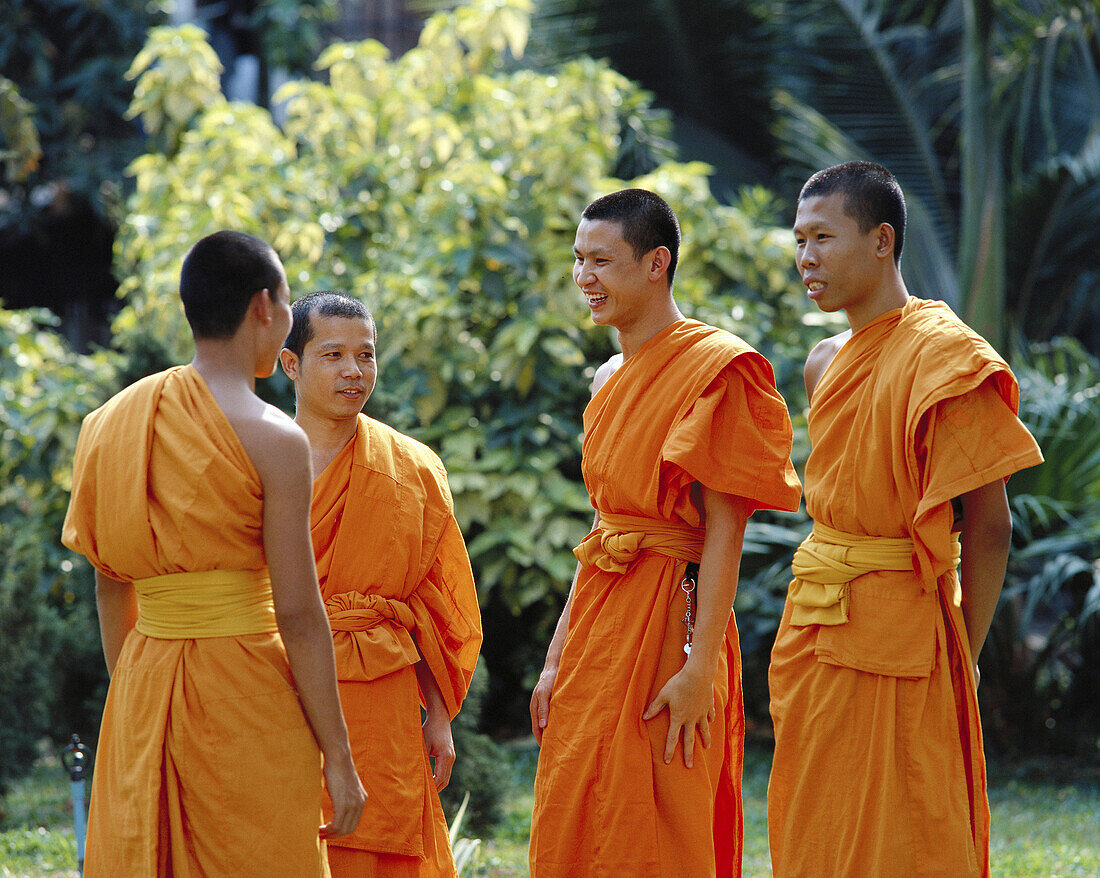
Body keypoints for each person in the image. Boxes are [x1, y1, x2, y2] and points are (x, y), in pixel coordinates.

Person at [767, 161, 1044, 877]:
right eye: (799, 240)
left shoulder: (947, 358)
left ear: (882, 240)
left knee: (908, 828)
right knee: (815, 821)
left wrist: (966, 653)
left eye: (824, 238)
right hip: (817, 619)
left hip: (906, 629)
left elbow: (989, 526)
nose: (806, 258)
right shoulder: (822, 362)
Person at [62, 231, 366, 877]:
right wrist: (339, 758)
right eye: (286, 304)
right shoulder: (276, 438)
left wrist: (138, 691)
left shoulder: (108, 423)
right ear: (264, 307)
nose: (286, 320)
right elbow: (300, 614)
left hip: (143, 684)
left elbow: (110, 583)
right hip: (247, 692)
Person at [527, 189, 803, 877]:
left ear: (657, 264)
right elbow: (603, 526)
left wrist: (701, 667)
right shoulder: (606, 376)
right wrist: (557, 655)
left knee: (663, 806)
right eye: (578, 260)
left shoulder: (716, 369)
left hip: (672, 622)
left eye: (603, 261)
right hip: (600, 617)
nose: (585, 277)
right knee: (578, 796)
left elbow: (724, 530)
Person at [279, 291, 483, 878]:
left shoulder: (411, 466)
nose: (353, 371)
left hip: (380, 694)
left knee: (381, 844)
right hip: (279, 678)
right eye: (333, 354)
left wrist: (439, 715)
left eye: (365, 355)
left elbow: (439, 602)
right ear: (291, 363)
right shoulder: (257, 458)